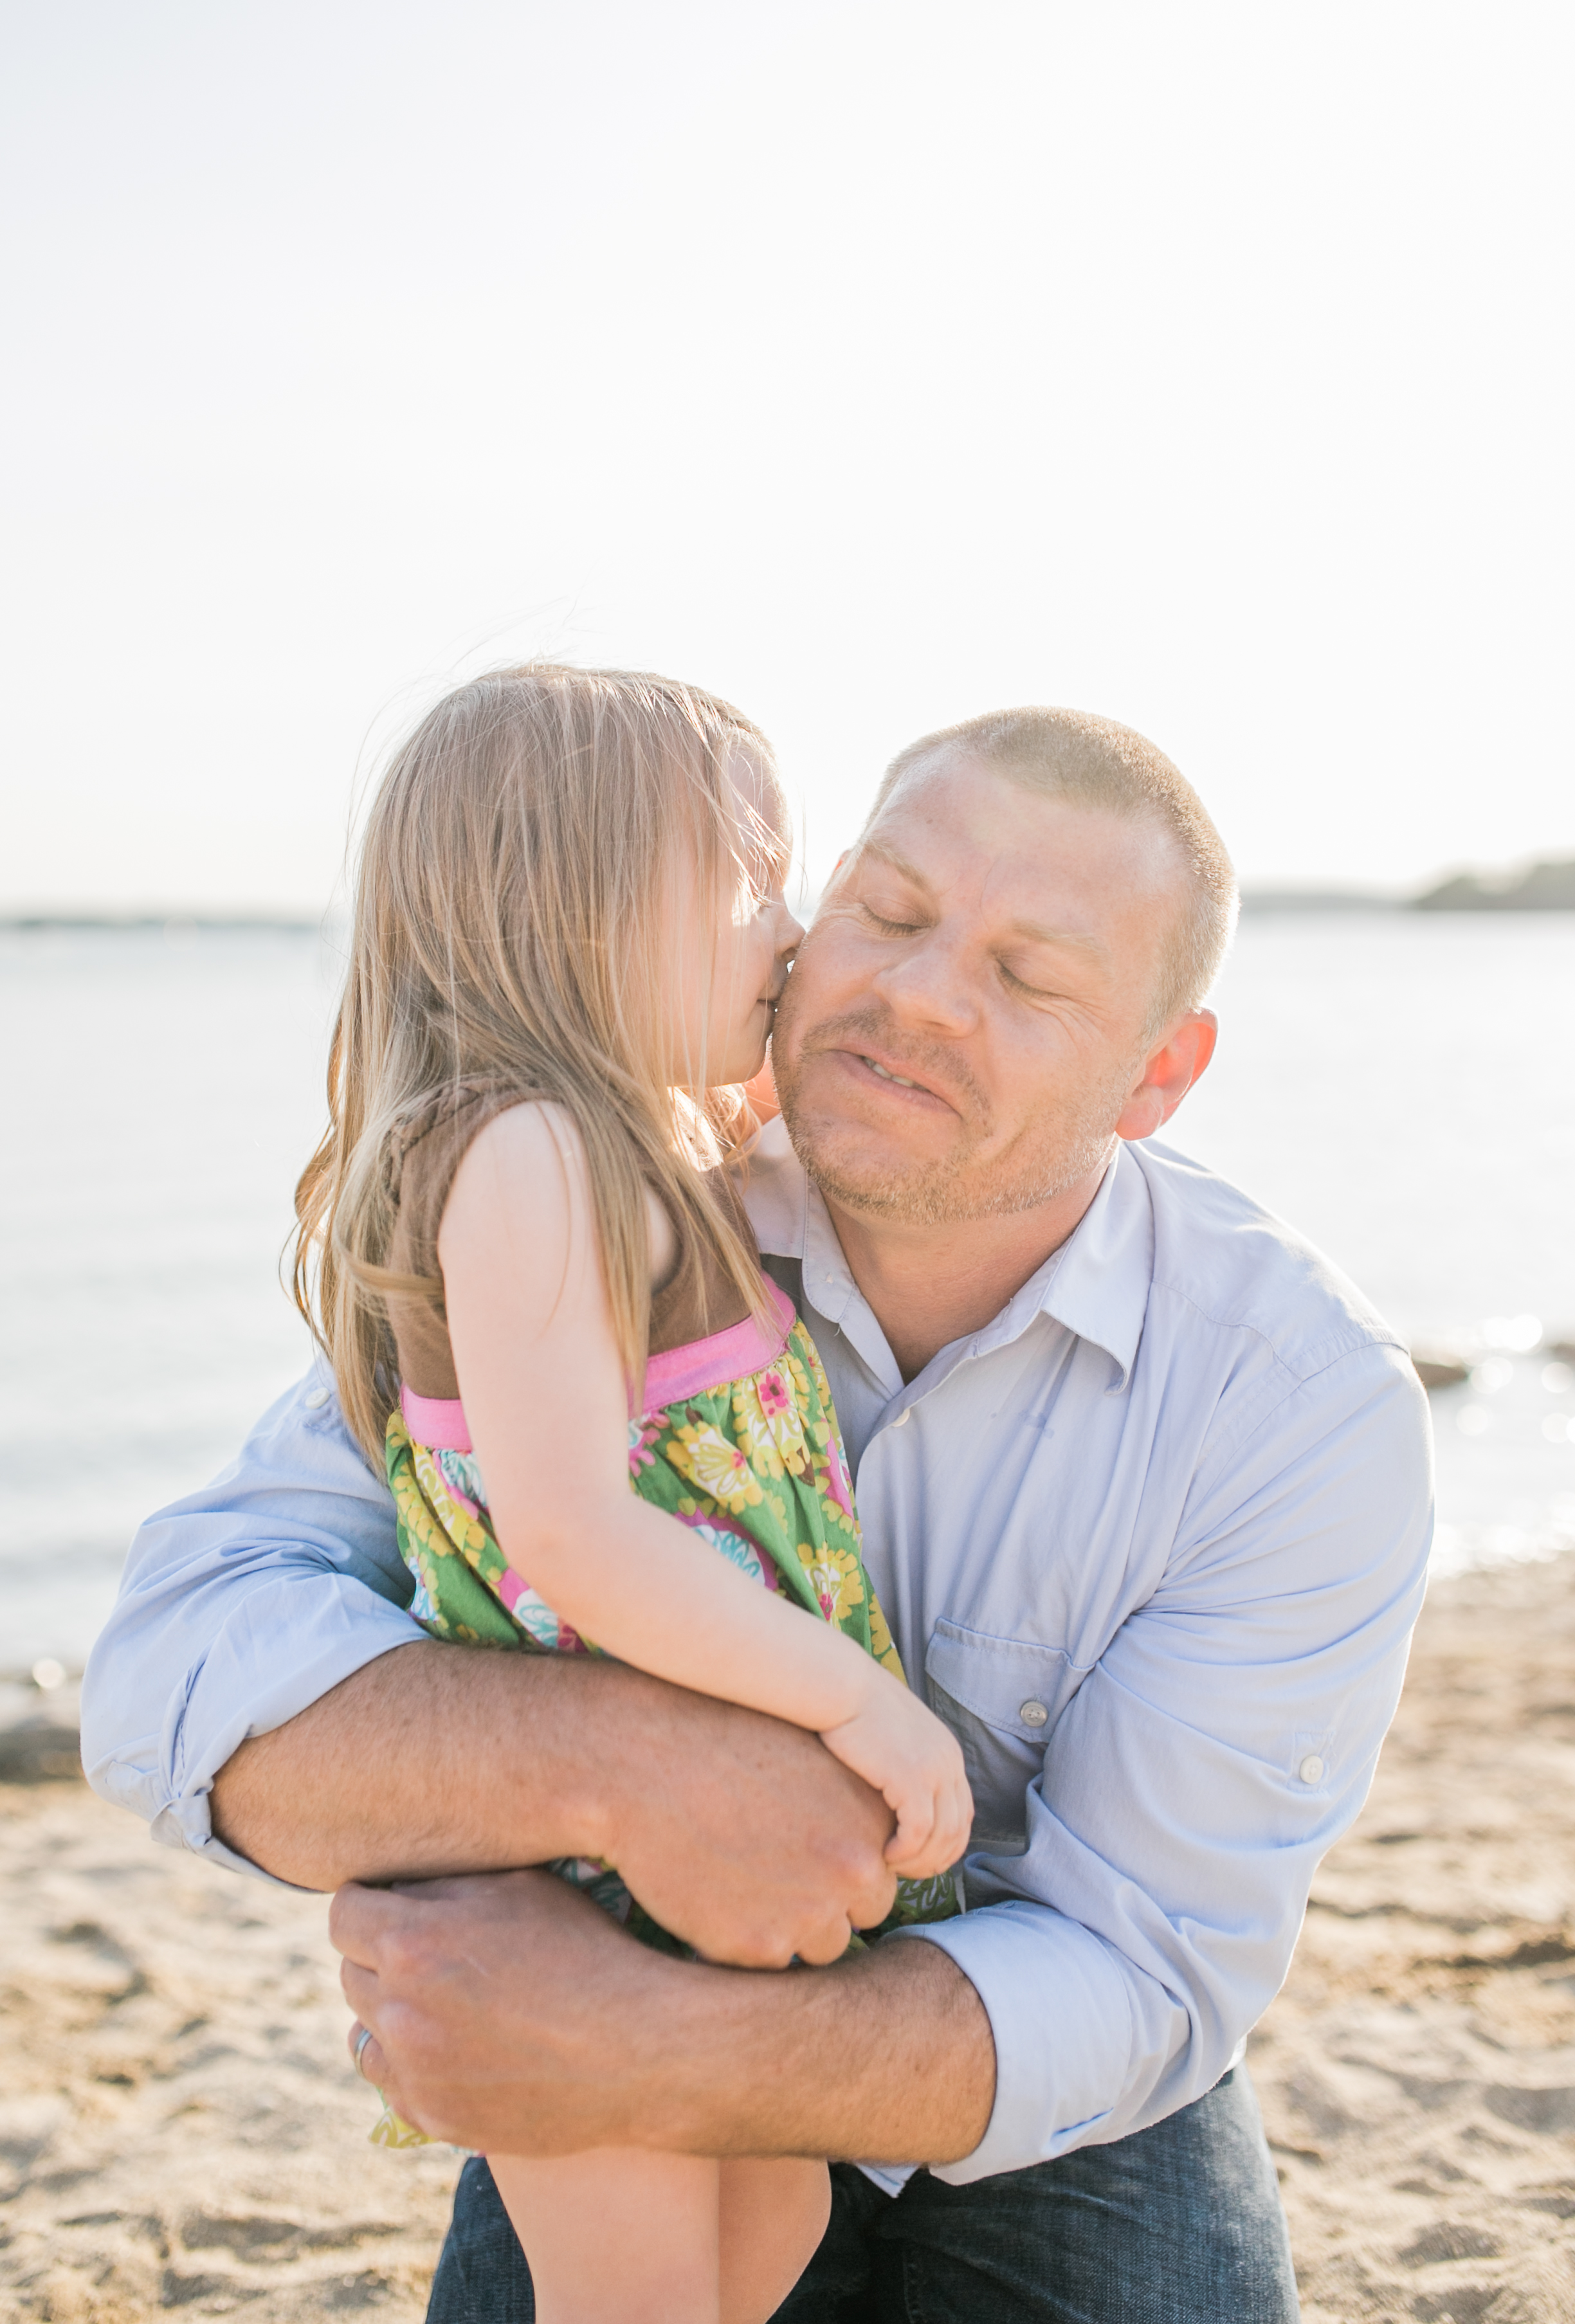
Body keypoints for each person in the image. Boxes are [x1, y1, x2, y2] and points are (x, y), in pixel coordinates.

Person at [82, 692, 1434, 2324]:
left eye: (1026, 976)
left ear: (1157, 1076)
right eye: (890, 908)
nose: (920, 997)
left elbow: (1147, 1971)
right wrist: (630, 1772)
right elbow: (173, 1670)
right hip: (614, 1963)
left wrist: (675, 2048)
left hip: (1012, 2045)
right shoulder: (608, 1185)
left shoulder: (1294, 1406)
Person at [286, 663, 970, 2323]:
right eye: (748, 884)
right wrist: (863, 1705)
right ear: (573, 907)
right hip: (594, 1900)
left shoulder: (636, 1145)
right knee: (640, 2290)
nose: (789, 930)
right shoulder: (527, 1156)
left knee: (766, 2236)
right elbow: (572, 1533)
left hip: (709, 1868)